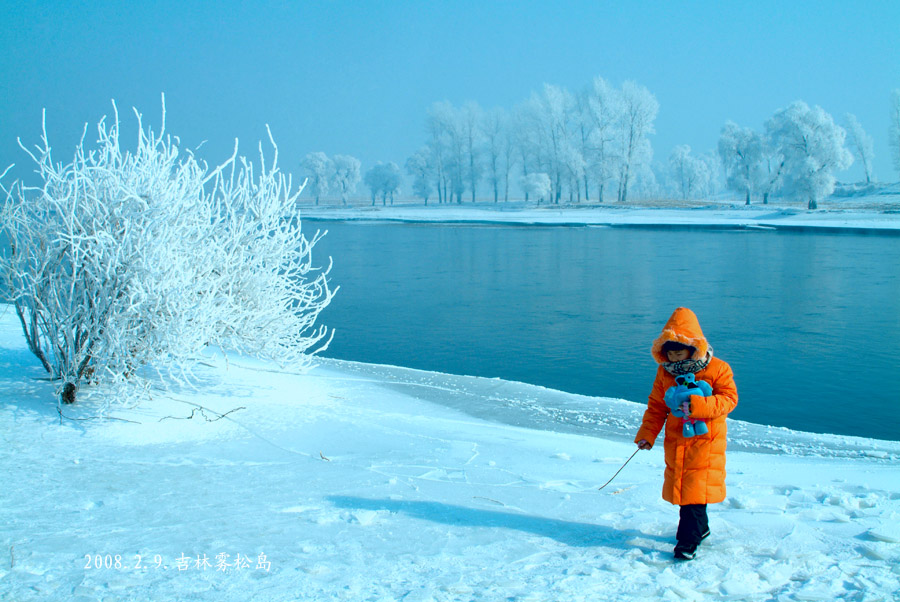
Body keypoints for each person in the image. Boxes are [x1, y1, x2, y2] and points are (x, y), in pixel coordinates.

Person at [634, 307, 738, 560]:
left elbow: (729, 399)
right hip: (677, 440)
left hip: (706, 440)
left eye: (679, 349)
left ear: (694, 347)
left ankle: (687, 541)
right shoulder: (665, 372)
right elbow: (657, 406)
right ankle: (700, 530)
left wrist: (699, 406)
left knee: (693, 492)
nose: (674, 355)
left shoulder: (718, 369)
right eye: (669, 350)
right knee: (688, 490)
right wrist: (647, 434)